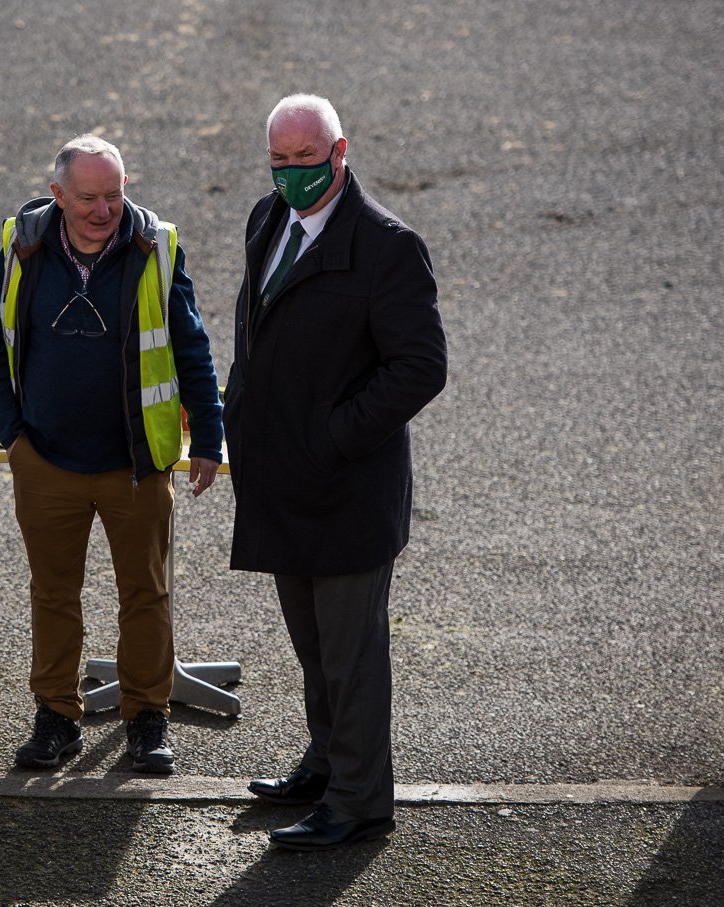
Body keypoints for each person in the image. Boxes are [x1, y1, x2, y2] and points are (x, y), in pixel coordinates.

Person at [224, 95, 447, 851]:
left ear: (340, 151)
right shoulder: (266, 219)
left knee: (352, 658)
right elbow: (254, 329)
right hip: (285, 483)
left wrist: (333, 437)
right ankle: (325, 765)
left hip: (346, 489)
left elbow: (421, 366)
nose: (291, 175)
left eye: (305, 159)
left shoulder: (388, 245)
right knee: (314, 648)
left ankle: (358, 801)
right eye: (279, 161)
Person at [0, 135, 223, 774]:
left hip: (136, 465)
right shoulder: (22, 245)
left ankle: (147, 719)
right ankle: (56, 717)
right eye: (88, 197)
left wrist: (210, 441)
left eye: (114, 194)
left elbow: (191, 348)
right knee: (54, 593)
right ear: (58, 195)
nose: (103, 209)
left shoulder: (156, 248)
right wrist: (12, 433)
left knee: (146, 593)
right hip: (46, 461)